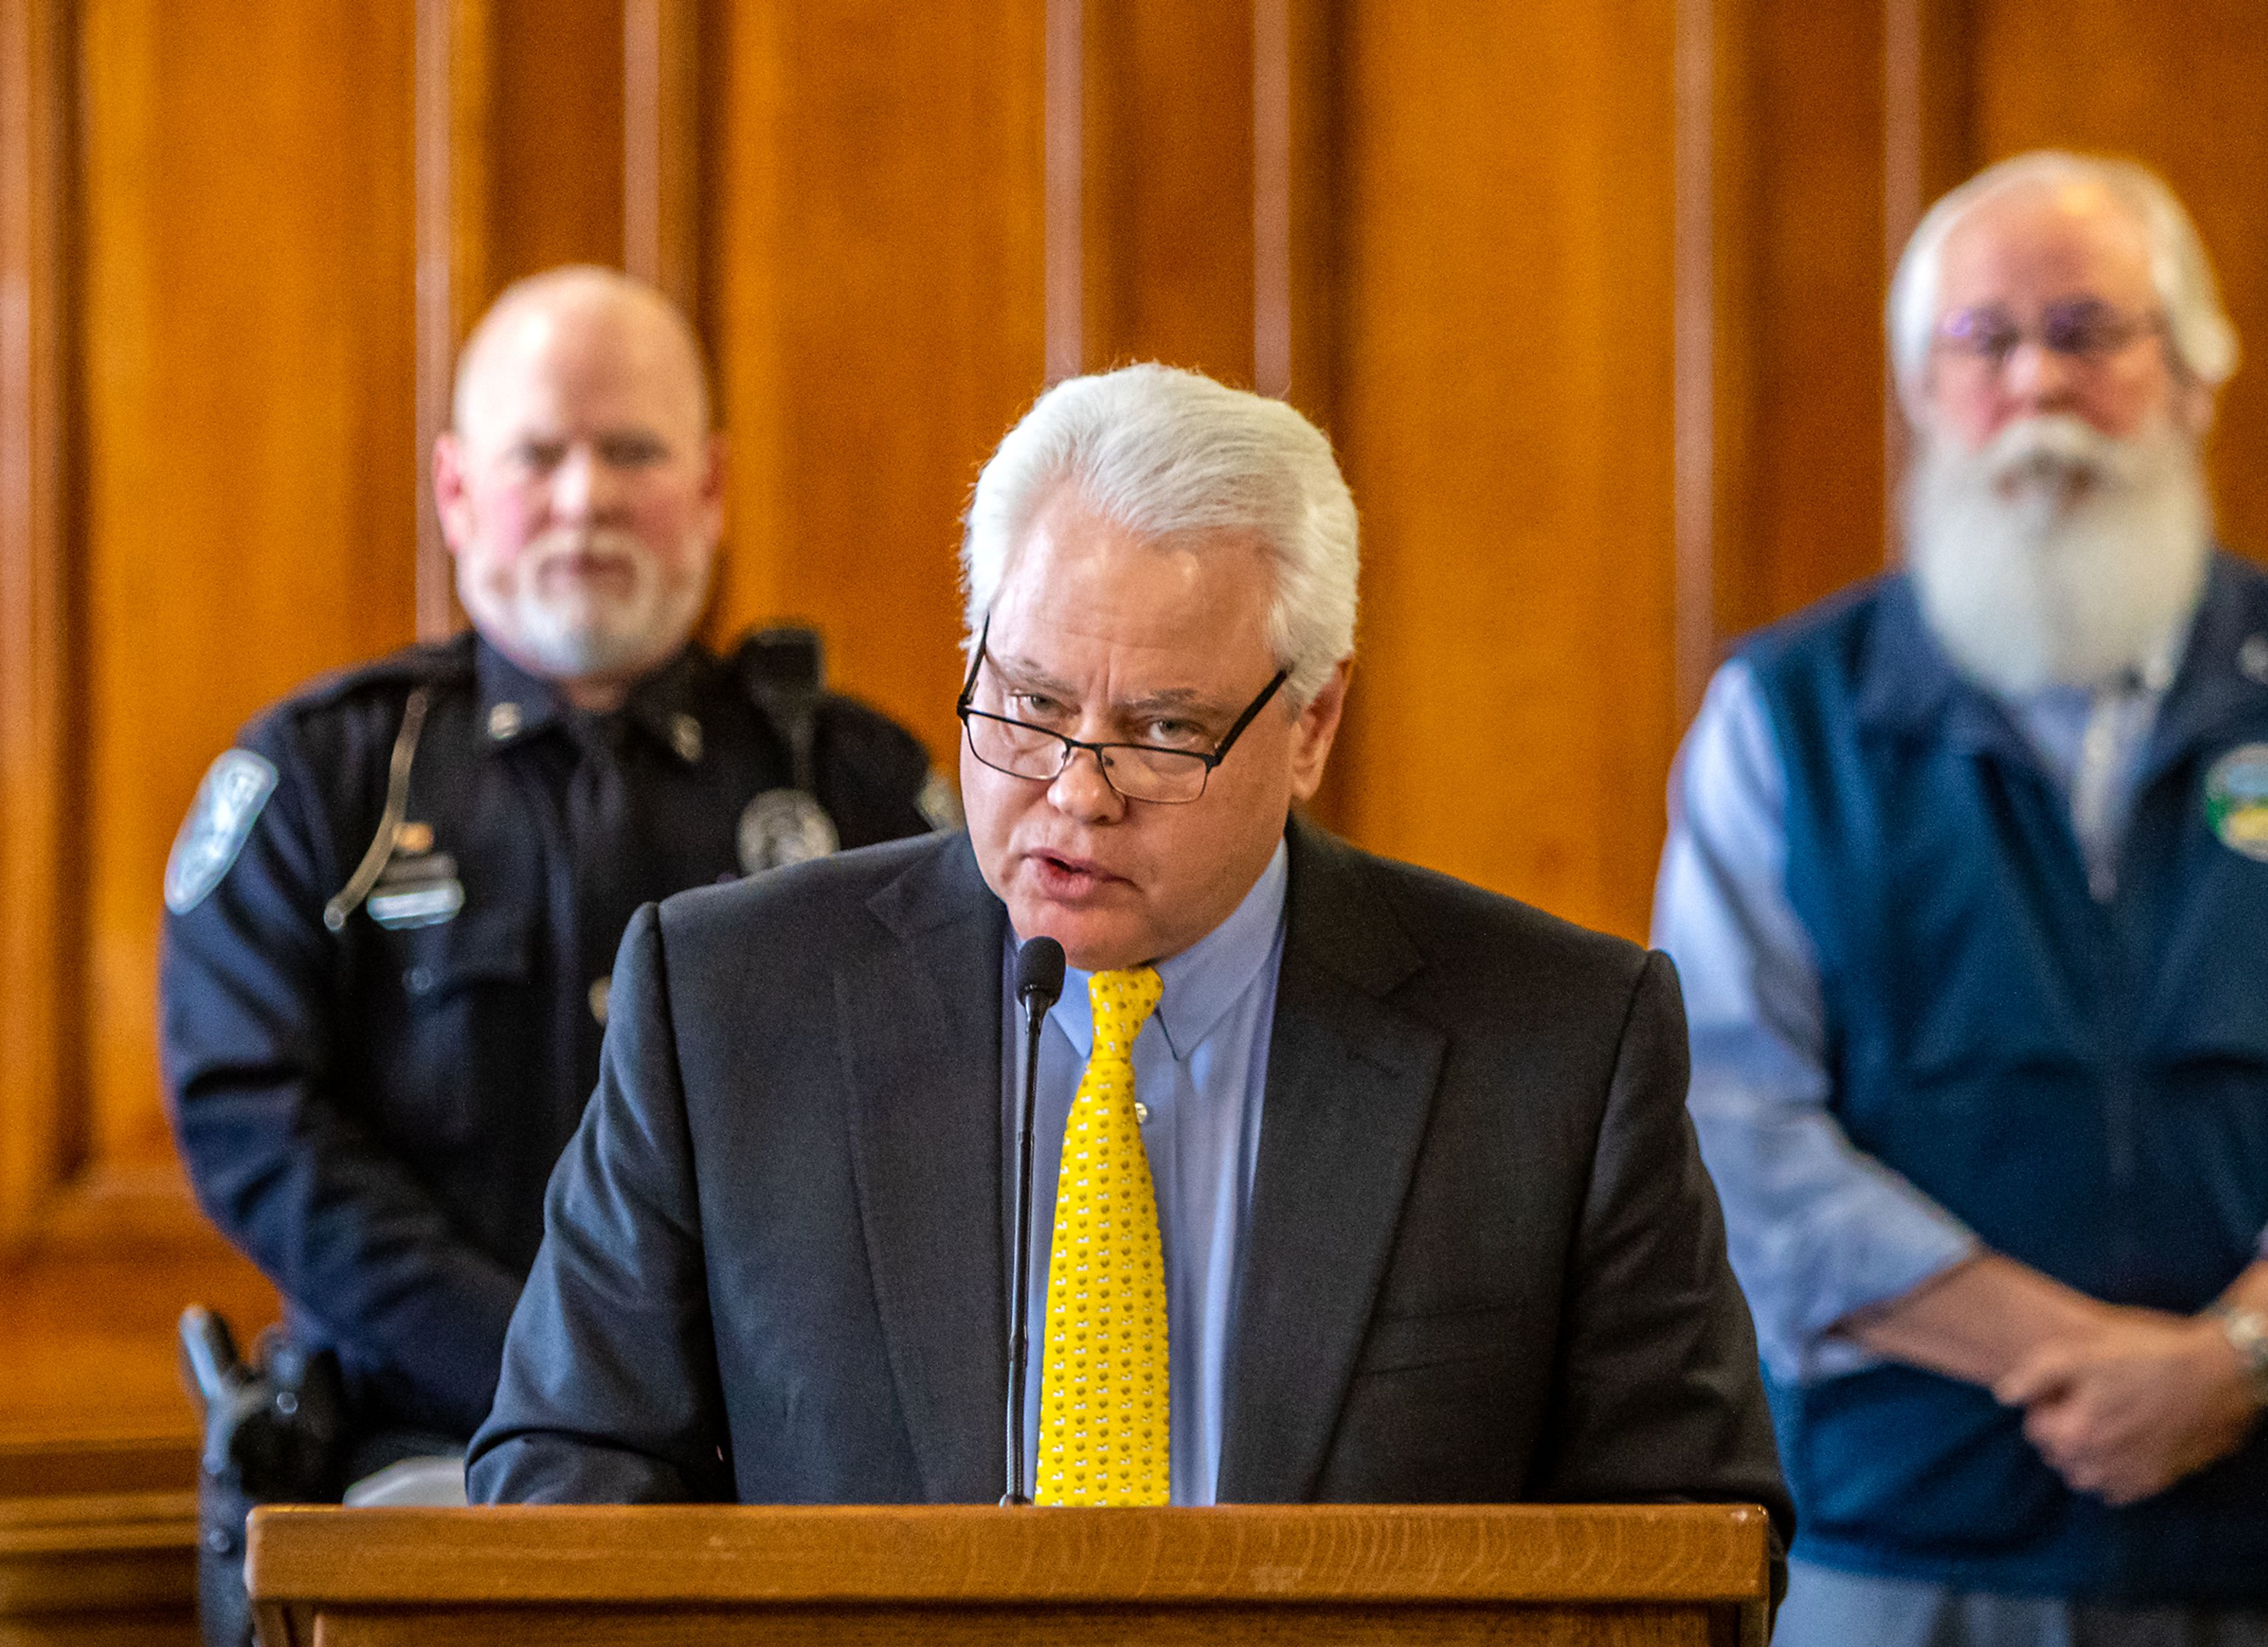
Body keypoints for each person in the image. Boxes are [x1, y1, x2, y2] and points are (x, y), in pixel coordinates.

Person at [465, 364, 1791, 1550]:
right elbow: (568, 1467)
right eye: (1032, 708)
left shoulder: (1556, 1043)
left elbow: (1688, 1534)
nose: (1076, 795)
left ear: (1313, 725)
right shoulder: (729, 1004)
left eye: (1164, 732)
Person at [1652, 151, 2268, 1647]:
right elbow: (1731, 1125)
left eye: (2090, 330)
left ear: (2192, 378)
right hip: (1901, 1552)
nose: (2037, 381)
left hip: (2261, 1536)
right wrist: (2086, 1364)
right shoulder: (1787, 717)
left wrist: (2227, 1364)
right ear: (1922, 391)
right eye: (1984, 341)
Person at [159, 266, 945, 1558]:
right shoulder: (329, 782)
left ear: (710, 489)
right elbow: (254, 1124)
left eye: (633, 451)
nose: (585, 499)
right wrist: (548, 1379)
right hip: (425, 1452)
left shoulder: (847, 784)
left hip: (789, 1484)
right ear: (458, 492)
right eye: (540, 455)